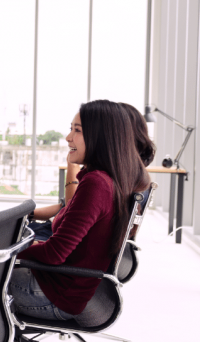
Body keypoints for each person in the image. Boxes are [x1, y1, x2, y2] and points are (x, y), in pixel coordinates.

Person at [10, 100, 150, 322]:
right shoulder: (113, 180)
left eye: (77, 131)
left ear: (101, 137)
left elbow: (55, 253)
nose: (68, 138)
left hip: (55, 294)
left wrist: (10, 251)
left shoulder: (97, 184)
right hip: (68, 285)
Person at [29, 102, 155, 241]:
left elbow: (72, 212)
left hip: (55, 236)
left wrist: (72, 164)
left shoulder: (100, 181)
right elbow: (68, 207)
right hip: (55, 230)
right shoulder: (130, 177)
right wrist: (28, 214)